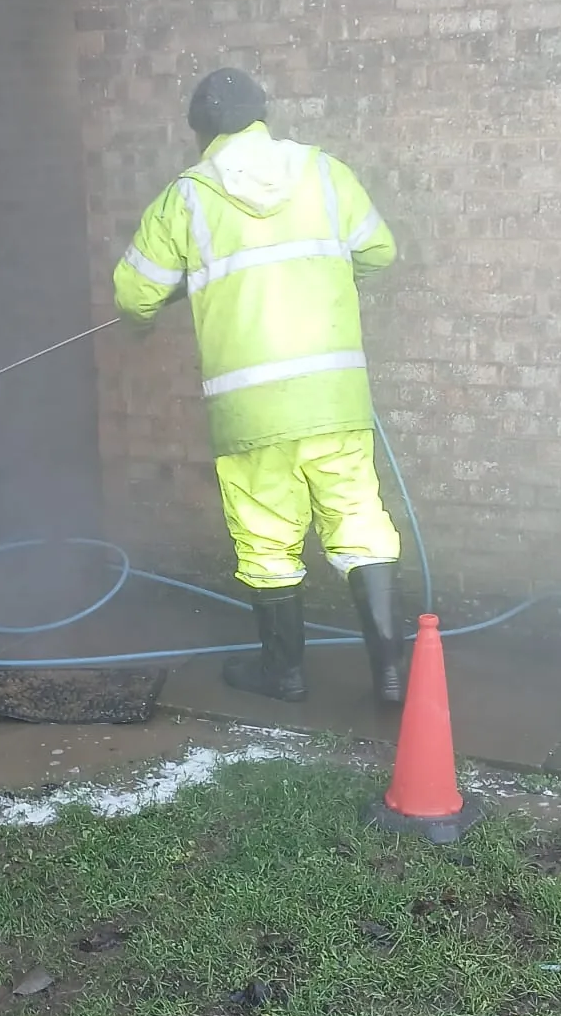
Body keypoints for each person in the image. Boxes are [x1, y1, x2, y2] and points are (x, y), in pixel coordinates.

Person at [113, 68, 406, 705]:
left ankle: (285, 673)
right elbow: (378, 251)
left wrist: (144, 318)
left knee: (267, 537)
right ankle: (390, 675)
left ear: (201, 133)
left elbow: (134, 293)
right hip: (333, 397)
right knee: (359, 522)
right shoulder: (325, 173)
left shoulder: (186, 197)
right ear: (262, 116)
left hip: (250, 409)